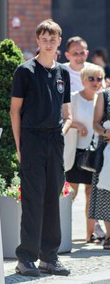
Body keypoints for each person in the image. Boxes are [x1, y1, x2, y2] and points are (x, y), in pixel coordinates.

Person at [10, 19, 72, 277]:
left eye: (53, 38)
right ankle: (26, 258)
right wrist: (19, 146)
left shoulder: (63, 73)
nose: (48, 42)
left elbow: (67, 113)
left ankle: (50, 257)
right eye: (44, 38)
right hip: (32, 139)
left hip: (54, 140)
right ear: (37, 41)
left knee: (52, 200)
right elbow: (15, 111)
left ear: (59, 41)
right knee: (33, 201)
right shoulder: (25, 71)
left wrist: (61, 131)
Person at [65, 63, 105, 243]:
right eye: (91, 78)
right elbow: (64, 118)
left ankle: (90, 234)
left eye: (99, 79)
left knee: (91, 193)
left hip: (94, 151)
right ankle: (63, 231)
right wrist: (76, 125)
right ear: (82, 80)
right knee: (70, 192)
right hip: (75, 151)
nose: (95, 82)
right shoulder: (74, 98)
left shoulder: (102, 100)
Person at [90, 85, 110, 250]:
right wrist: (106, 132)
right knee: (106, 195)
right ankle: (109, 236)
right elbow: (95, 124)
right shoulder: (105, 95)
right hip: (107, 152)